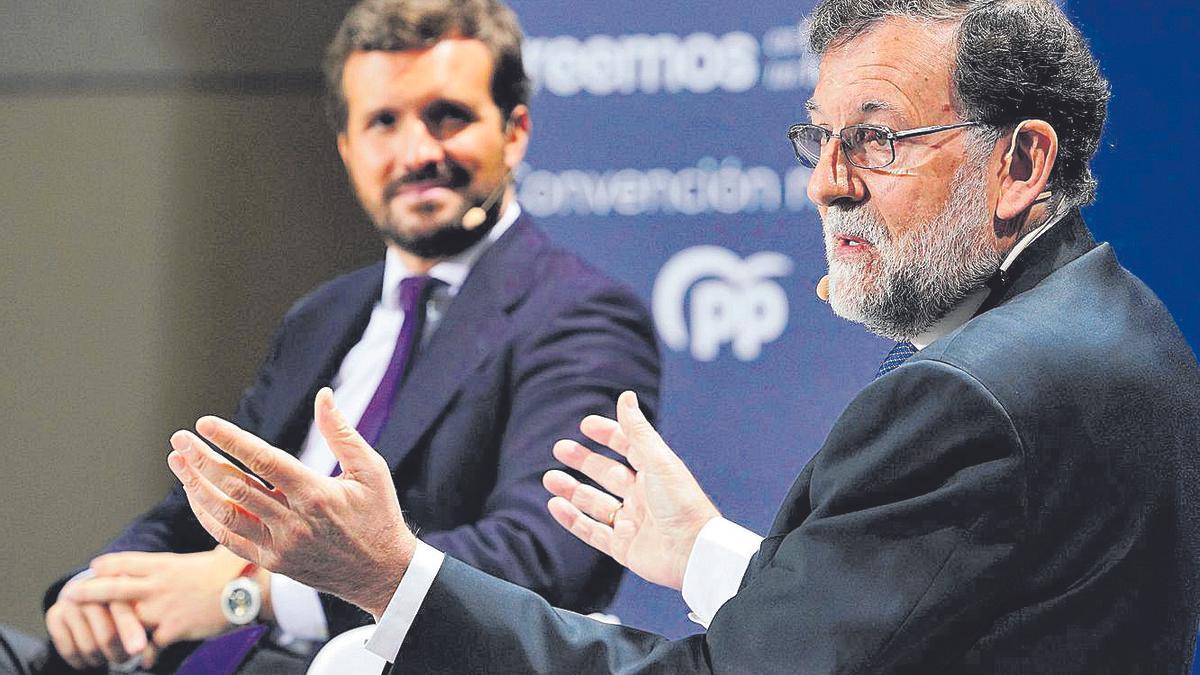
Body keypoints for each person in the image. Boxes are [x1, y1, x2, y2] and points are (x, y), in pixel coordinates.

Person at [142, 0, 1200, 671]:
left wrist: (386, 576)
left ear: (1021, 162)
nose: (829, 183)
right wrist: (697, 552)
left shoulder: (967, 396)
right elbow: (904, 629)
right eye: (819, 138)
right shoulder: (1115, 321)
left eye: (875, 139)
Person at [9, 0, 660, 672]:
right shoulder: (323, 315)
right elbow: (199, 503)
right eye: (383, 122)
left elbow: (544, 557)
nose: (416, 152)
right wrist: (99, 591)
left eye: (449, 116)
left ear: (515, 132)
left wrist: (255, 592)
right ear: (349, 148)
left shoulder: (580, 314)